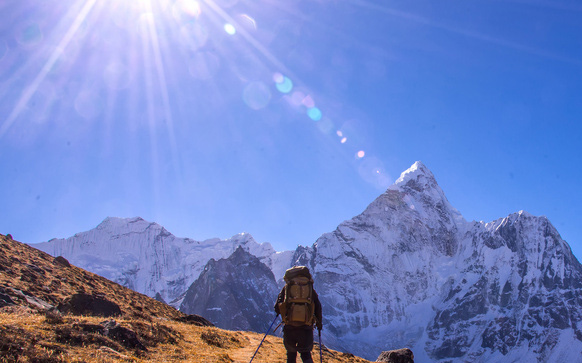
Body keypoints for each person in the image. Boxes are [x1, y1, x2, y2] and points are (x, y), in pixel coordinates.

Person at [274, 266, 322, 363]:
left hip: (290, 326)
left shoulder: (287, 288)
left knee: (291, 355)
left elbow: (277, 307)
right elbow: (318, 306)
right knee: (306, 354)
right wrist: (319, 323)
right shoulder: (309, 289)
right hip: (306, 327)